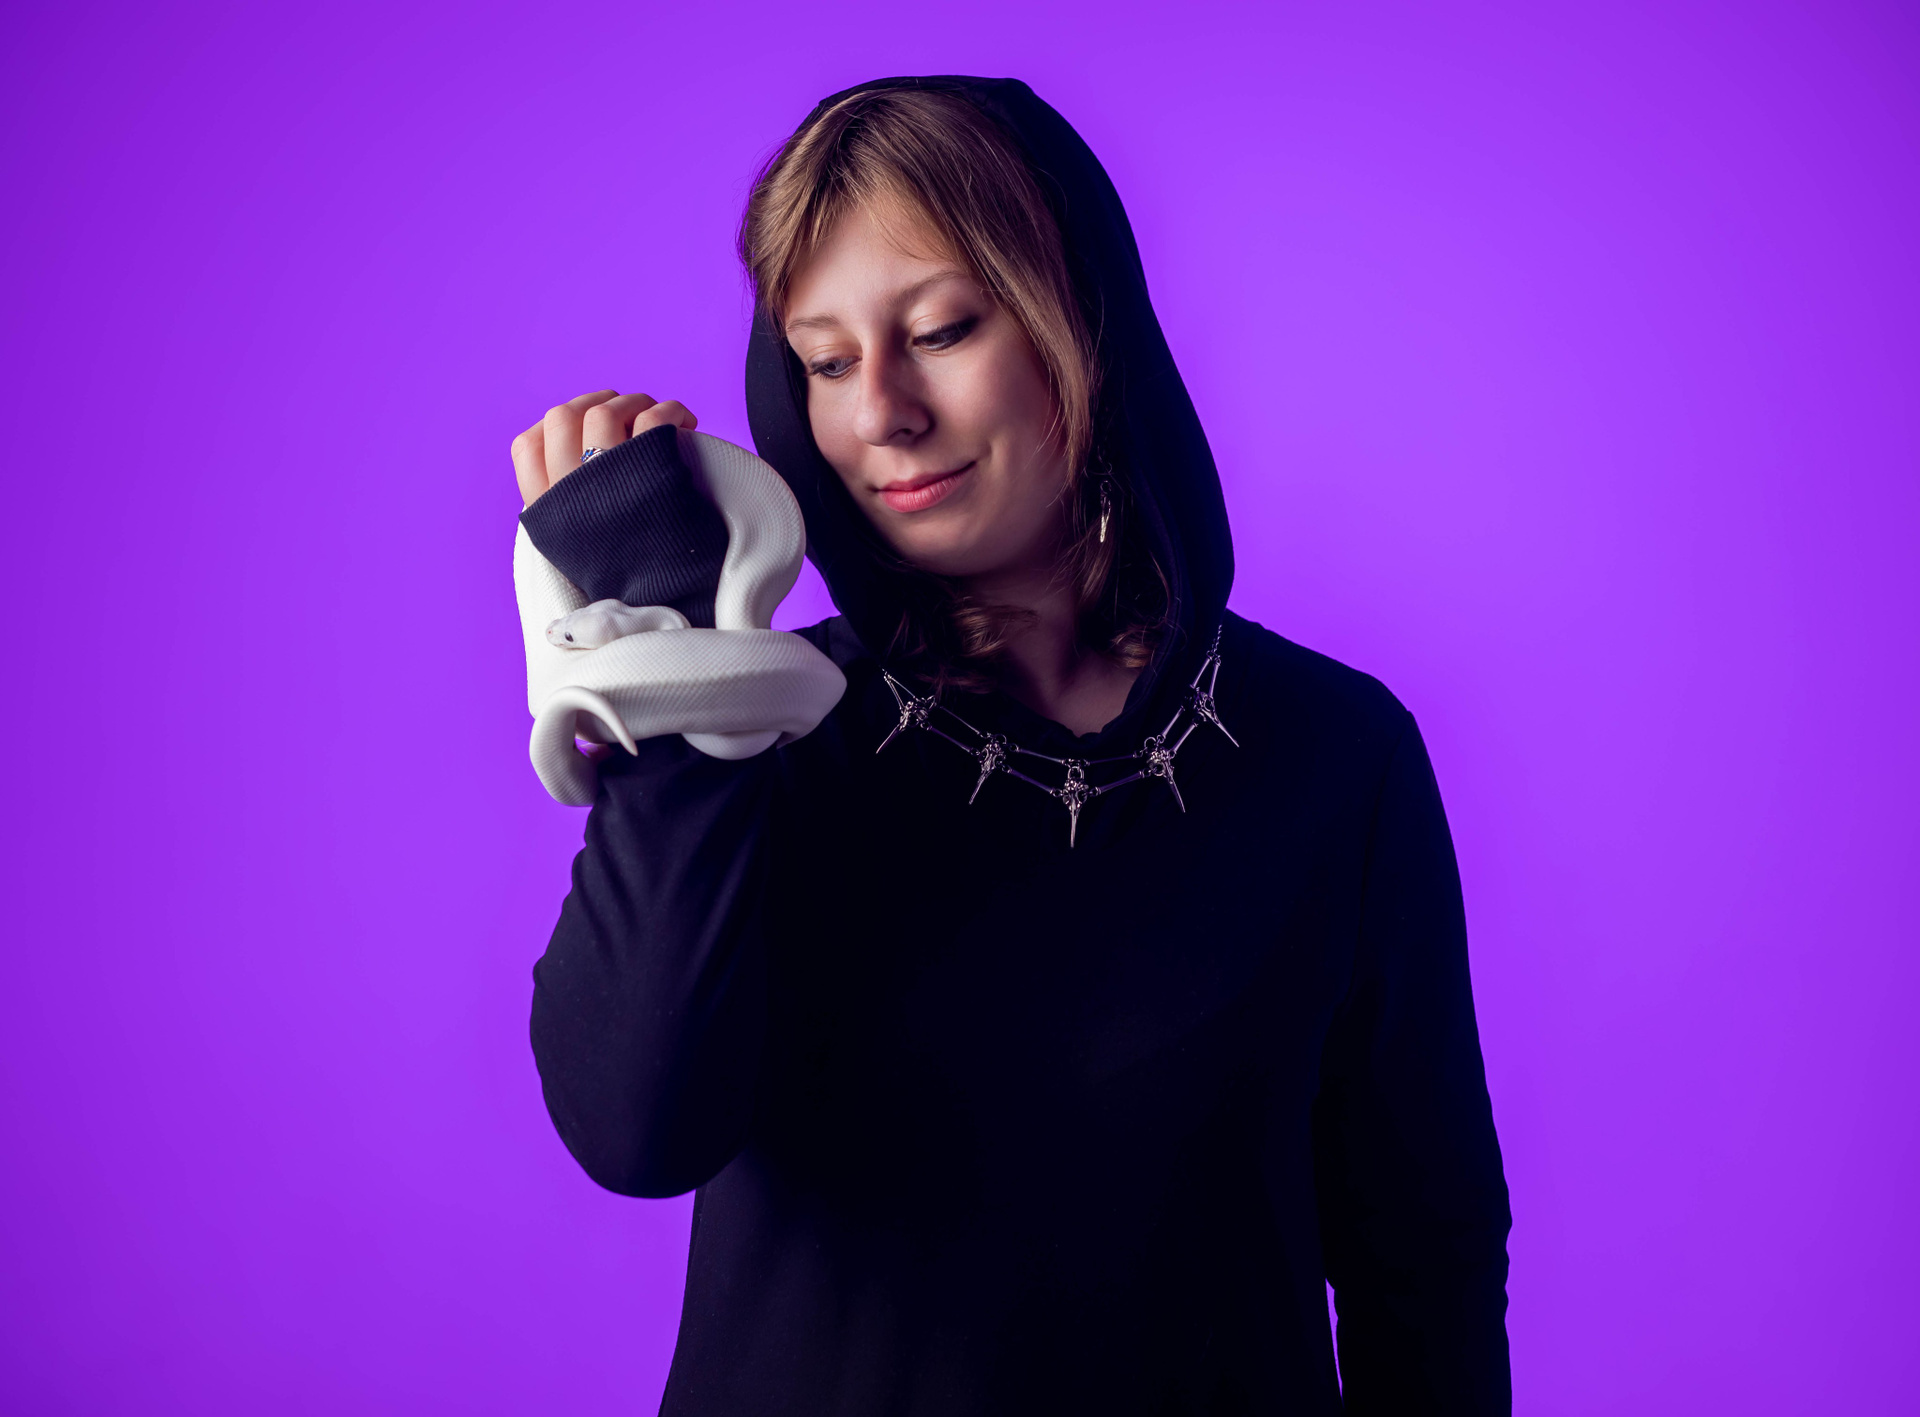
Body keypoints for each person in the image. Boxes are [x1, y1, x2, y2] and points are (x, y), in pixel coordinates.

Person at [509, 76, 1512, 1415]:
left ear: (1075, 322)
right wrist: (671, 668)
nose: (882, 412)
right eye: (826, 361)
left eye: (941, 329)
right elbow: (639, 1130)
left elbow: (1426, 1262)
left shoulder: (1338, 754)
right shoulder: (770, 736)